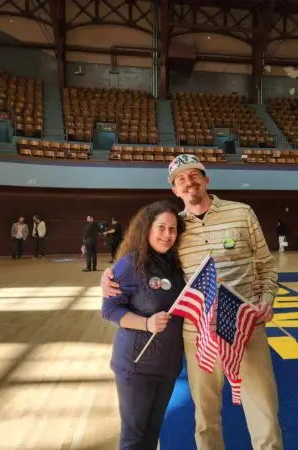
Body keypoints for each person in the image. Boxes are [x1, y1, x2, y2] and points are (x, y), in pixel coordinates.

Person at [102, 154, 282, 450]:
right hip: (198, 335)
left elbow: (265, 264)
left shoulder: (242, 213)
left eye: (194, 175)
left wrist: (266, 299)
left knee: (264, 414)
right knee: (205, 418)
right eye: (180, 179)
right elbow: (143, 262)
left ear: (206, 179)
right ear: (174, 190)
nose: (189, 183)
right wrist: (109, 276)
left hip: (245, 327)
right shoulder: (175, 228)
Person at [101, 200, 186, 450]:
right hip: (136, 366)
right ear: (147, 228)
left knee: (152, 432)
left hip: (168, 364)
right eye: (161, 227)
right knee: (134, 437)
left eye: (172, 229)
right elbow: (110, 309)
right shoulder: (130, 263)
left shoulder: (176, 265)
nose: (167, 235)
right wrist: (146, 323)